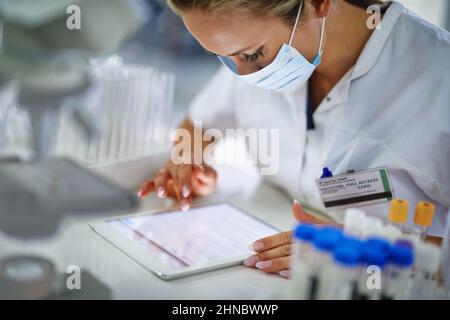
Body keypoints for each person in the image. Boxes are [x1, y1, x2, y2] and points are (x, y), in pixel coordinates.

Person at [139, 0, 450, 277]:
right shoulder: (253, 52)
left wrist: (371, 251)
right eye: (223, 57)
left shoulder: (438, 79)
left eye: (252, 54)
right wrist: (187, 164)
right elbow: (196, 125)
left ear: (318, 4)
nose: (244, 74)